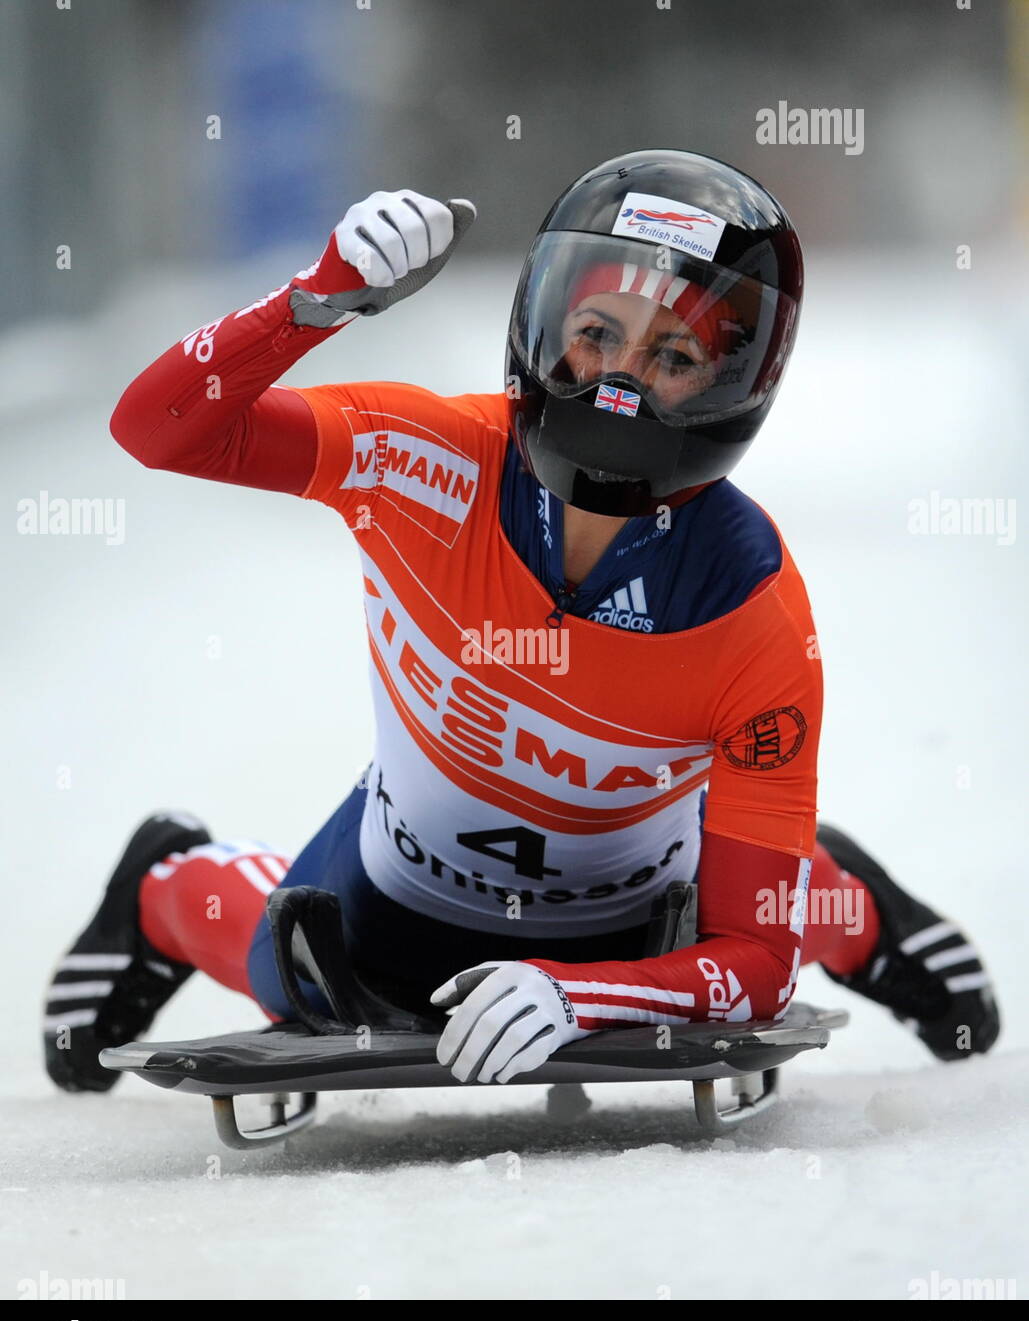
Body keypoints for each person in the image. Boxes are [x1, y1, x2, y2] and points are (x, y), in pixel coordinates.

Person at [44, 150, 999, 1092]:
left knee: (749, 896)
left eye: (671, 355)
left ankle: (845, 901)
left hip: (635, 918)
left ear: (731, 383)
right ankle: (162, 883)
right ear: (542, 326)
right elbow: (159, 429)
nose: (618, 379)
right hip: (394, 893)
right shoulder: (428, 456)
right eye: (595, 333)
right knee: (300, 977)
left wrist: (579, 997)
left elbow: (751, 958)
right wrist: (315, 299)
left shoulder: (753, 610)